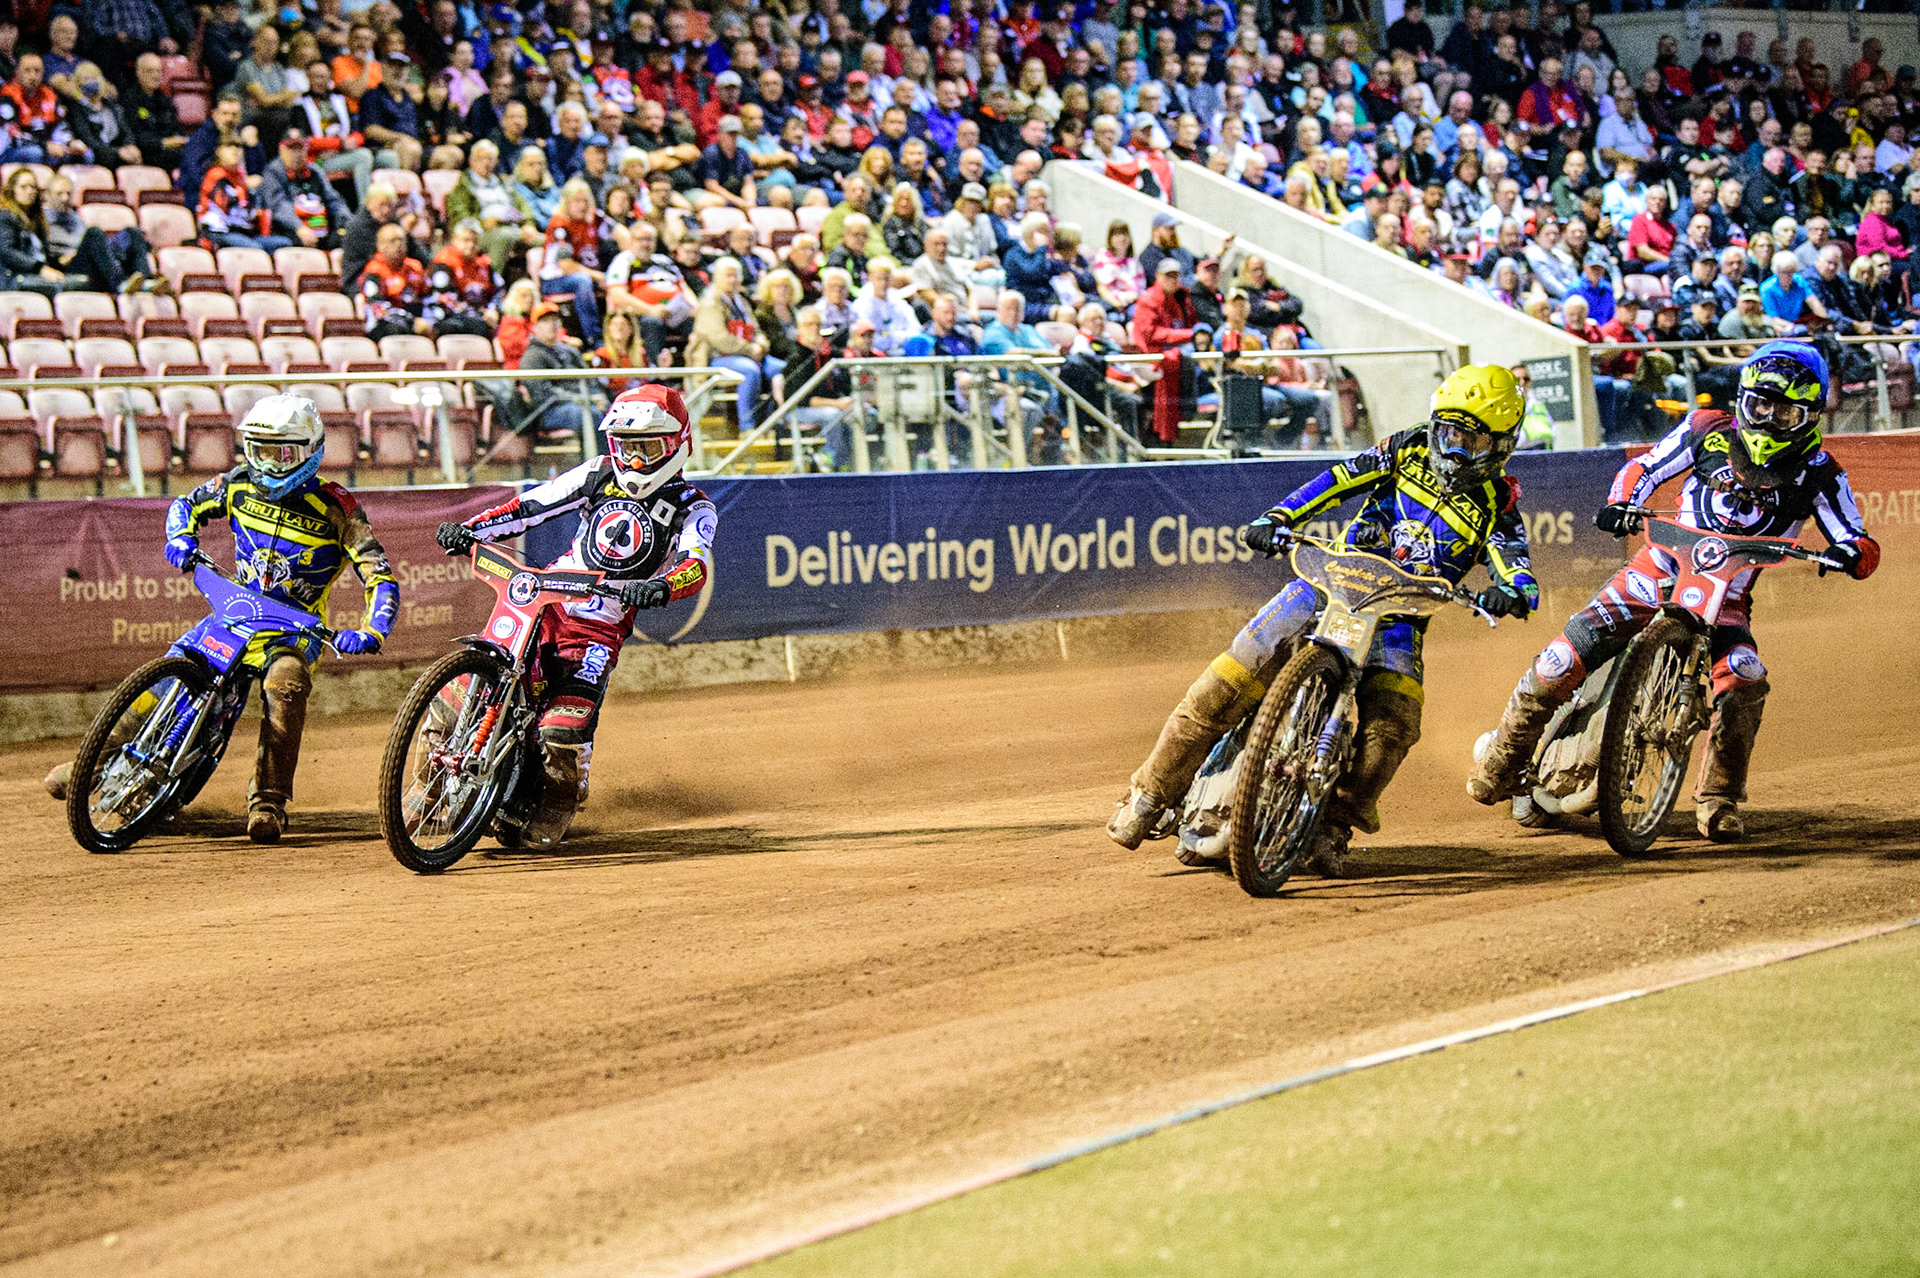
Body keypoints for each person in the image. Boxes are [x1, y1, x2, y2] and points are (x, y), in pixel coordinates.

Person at [1109, 365, 1538, 876]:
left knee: (1395, 726)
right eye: (1448, 433)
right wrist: (1279, 516)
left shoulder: (1498, 504)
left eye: (1472, 440)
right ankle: (1149, 795)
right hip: (1328, 582)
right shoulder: (1405, 448)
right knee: (1228, 677)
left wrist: (1514, 591)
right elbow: (1338, 479)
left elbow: (1515, 562)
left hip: (1399, 617)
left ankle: (1335, 824)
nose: (1456, 448)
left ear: (1502, 443)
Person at [1467, 343, 1879, 842]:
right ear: (1743, 401)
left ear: (1809, 416)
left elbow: (1856, 537)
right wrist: (1621, 502)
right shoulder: (1707, 428)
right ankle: (1500, 762)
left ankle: (1719, 799)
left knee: (1745, 677)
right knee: (1560, 659)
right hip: (1655, 570)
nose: (1769, 420)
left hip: (1726, 598)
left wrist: (1851, 554)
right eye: (1760, 406)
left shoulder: (1821, 472)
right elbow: (1645, 467)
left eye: (1785, 412)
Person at [42, 396, 397, 843]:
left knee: (286, 687)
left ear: (309, 452)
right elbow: (185, 504)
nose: (268, 463)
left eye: (281, 453)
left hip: (293, 630)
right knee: (168, 676)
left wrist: (371, 630)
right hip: (234, 611)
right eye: (259, 451)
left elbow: (380, 576)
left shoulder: (338, 509)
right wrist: (180, 536)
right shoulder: (238, 483)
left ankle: (268, 801)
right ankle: (90, 765)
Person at [434, 386, 716, 848]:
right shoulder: (597, 473)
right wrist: (470, 530)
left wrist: (661, 586)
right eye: (627, 447)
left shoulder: (693, 506)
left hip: (599, 626)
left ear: (677, 444)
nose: (636, 460)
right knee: (460, 689)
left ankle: (559, 800)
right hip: (543, 600)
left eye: (648, 448)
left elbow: (695, 565)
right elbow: (530, 506)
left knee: (561, 728)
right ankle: (425, 791)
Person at [260, 128, 353, 252]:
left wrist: (349, 223)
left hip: (321, 229)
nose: (296, 154)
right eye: (291, 149)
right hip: (291, 231)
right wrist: (299, 227)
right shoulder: (273, 173)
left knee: (350, 239)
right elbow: (278, 206)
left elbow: (334, 200)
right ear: (281, 150)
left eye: (300, 148)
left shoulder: (315, 172)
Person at [428, 218, 501, 337]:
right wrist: (474, 314)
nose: (471, 245)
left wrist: (493, 310)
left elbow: (500, 291)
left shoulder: (485, 263)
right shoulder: (443, 262)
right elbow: (442, 297)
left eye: (475, 241)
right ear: (455, 239)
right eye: (466, 240)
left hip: (481, 315)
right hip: (453, 317)